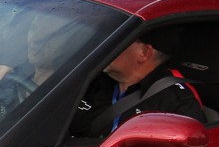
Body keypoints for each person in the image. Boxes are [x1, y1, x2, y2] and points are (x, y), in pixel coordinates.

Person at [70, 28, 203, 137]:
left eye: (117, 41)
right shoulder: (90, 80)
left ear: (144, 53)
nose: (104, 46)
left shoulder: (176, 104)